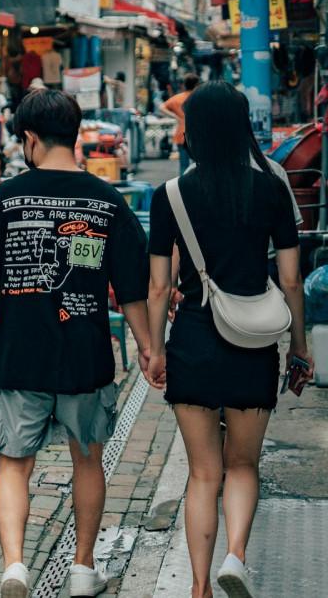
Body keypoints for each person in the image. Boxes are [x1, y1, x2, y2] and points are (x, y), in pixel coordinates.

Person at [0, 89, 152, 597]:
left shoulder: (5, 197)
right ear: (76, 135)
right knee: (88, 460)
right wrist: (149, 348)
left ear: (28, 138)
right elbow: (133, 286)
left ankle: (14, 567)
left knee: (13, 465)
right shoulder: (105, 200)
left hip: (19, 353)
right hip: (85, 355)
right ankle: (83, 570)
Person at [145, 81, 312, 598]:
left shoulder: (171, 195)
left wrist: (154, 349)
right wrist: (300, 348)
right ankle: (235, 555)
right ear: (244, 128)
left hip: (192, 340)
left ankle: (199, 587)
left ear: (193, 131)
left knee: (202, 473)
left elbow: (158, 286)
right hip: (253, 342)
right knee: (242, 465)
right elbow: (290, 280)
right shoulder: (272, 185)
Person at [160, 73, 199, 174]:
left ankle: (183, 188)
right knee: (199, 165)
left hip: (181, 134)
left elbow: (162, 107)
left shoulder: (177, 98)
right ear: (197, 84)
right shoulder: (200, 97)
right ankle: (199, 187)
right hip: (198, 135)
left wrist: (175, 116)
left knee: (183, 165)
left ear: (184, 85)